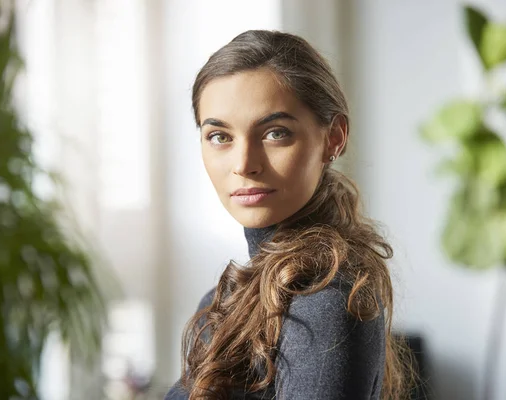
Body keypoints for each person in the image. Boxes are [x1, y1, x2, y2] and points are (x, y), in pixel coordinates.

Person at [166, 30, 410, 400]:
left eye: (275, 133)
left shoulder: (327, 302)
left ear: (334, 138)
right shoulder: (226, 298)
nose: (244, 164)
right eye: (220, 136)